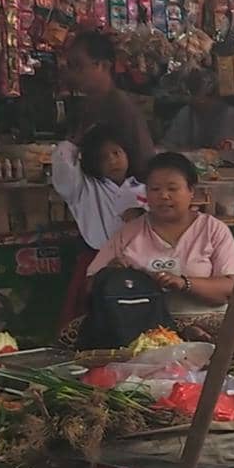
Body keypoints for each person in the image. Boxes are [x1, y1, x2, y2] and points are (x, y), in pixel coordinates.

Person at [66, 152, 234, 360]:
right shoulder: (129, 232)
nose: (163, 196)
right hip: (140, 322)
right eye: (155, 189)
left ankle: (184, 344)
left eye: (172, 188)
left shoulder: (213, 229)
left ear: (191, 192)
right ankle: (179, 348)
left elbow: (232, 288)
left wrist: (183, 283)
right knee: (70, 336)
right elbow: (90, 286)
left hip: (203, 320)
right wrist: (113, 275)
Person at [52, 124, 148, 327]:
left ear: (127, 153)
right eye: (104, 157)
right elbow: (63, 169)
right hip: (96, 262)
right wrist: (72, 143)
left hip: (138, 264)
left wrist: (141, 215)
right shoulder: (83, 189)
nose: (113, 160)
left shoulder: (143, 189)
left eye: (116, 152)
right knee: (92, 320)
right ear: (93, 162)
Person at [65, 31, 155, 175]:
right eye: (70, 66)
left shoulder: (122, 108)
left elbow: (144, 164)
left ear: (104, 66)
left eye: (78, 65)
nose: (72, 74)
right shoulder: (85, 107)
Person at [162, 69, 234, 152]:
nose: (194, 99)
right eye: (191, 94)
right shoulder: (185, 113)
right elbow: (167, 146)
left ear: (214, 96)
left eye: (200, 95)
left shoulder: (231, 115)